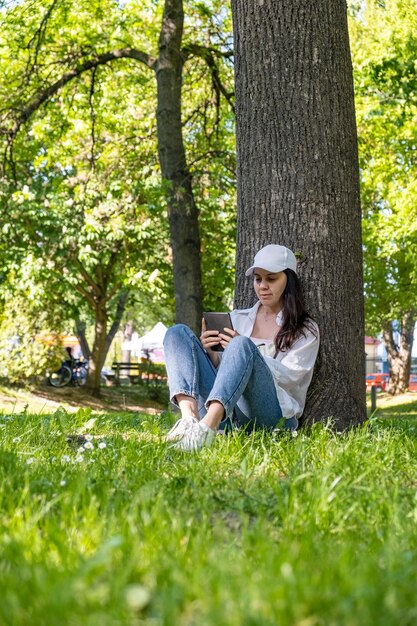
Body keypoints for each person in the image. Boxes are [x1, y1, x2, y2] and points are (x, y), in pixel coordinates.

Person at [163, 244, 319, 452]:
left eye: (271, 279)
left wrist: (246, 349)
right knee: (177, 333)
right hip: (229, 411)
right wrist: (211, 352)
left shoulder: (305, 328)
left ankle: (206, 430)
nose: (262, 286)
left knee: (241, 344)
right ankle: (189, 421)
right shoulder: (238, 318)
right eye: (258, 279)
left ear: (288, 280)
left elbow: (292, 376)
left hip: (272, 416)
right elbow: (227, 373)